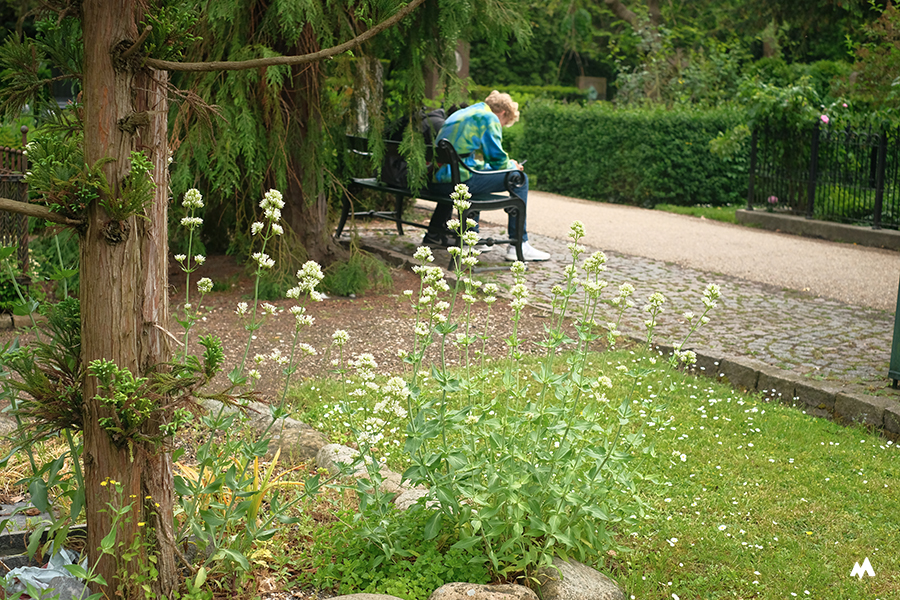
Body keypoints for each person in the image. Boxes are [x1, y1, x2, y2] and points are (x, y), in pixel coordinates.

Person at [423, 91, 550, 261]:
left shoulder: (463, 113)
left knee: (480, 178)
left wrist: (491, 166)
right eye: (504, 123)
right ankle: (518, 244)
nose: (502, 126)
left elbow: (463, 159)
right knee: (519, 179)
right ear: (503, 113)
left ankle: (472, 237)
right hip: (456, 183)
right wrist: (513, 165)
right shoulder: (488, 117)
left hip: (437, 181)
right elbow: (497, 160)